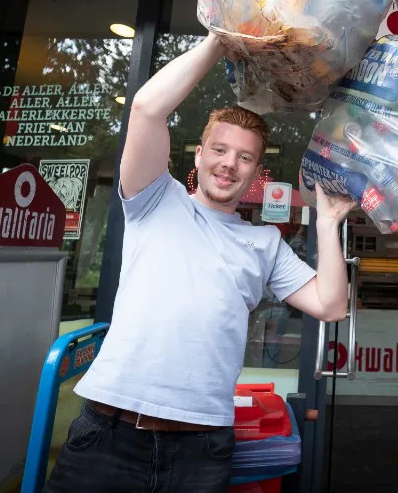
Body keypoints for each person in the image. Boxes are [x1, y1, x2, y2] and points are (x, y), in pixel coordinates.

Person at [45, 32, 356, 493]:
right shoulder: (155, 199)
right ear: (200, 153)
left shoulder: (263, 242)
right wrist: (220, 40)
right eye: (220, 150)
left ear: (256, 170)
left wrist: (327, 224)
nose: (229, 164)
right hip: (109, 436)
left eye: (244, 157)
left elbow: (331, 305)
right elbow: (148, 108)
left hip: (201, 448)